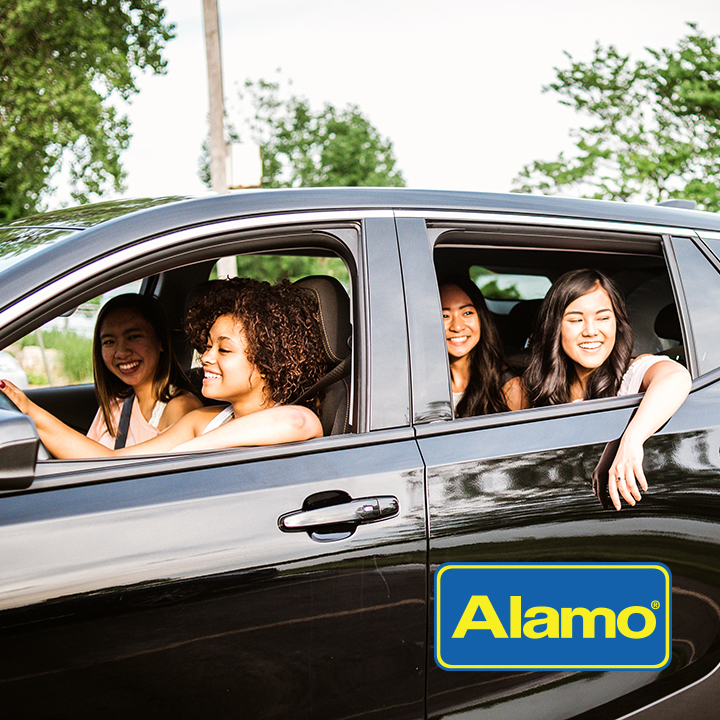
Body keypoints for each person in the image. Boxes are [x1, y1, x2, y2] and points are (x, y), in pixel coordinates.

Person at [0, 278, 327, 456]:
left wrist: (178, 454)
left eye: (223, 349)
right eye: (207, 346)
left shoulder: (293, 417)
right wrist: (29, 410)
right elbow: (113, 462)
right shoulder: (202, 421)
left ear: (268, 361)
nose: (206, 358)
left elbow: (298, 422)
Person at [523, 268, 692, 510]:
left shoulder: (631, 375)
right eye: (576, 320)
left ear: (617, 323)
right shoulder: (533, 388)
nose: (591, 331)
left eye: (603, 318)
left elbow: (676, 377)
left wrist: (630, 440)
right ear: (555, 327)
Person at [87, 293, 202, 448]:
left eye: (133, 337)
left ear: (161, 341)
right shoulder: (113, 407)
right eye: (109, 342)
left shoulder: (180, 407)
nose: (121, 353)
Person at [439, 276, 525, 415]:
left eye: (467, 313)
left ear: (481, 319)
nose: (457, 327)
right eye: (444, 316)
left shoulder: (509, 387)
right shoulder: (416, 383)